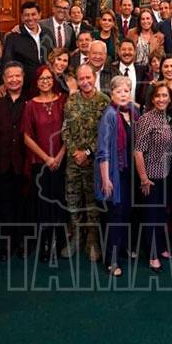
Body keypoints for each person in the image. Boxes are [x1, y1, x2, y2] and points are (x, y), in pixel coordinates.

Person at [61, 65, 111, 261]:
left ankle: (92, 239)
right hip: (73, 162)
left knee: (92, 202)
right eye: (81, 78)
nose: (85, 82)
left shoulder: (104, 101)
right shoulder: (71, 101)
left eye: (88, 77)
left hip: (94, 163)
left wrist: (87, 153)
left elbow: (105, 134)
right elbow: (65, 130)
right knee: (72, 200)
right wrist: (75, 152)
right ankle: (76, 236)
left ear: (94, 77)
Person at [0, 62, 29, 261]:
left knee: (24, 204)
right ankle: (7, 244)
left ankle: (23, 241)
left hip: (24, 162)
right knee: (3, 205)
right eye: (10, 76)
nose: (14, 80)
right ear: (3, 79)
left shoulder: (31, 99)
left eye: (18, 76)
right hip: (1, 162)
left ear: (23, 77)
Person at [22, 65, 68, 262]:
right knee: (43, 204)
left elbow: (69, 131)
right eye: (42, 79)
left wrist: (59, 156)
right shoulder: (30, 105)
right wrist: (47, 158)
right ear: (36, 82)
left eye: (49, 78)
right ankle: (45, 243)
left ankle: (59, 241)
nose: (46, 81)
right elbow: (26, 137)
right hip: (40, 163)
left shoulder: (63, 101)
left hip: (61, 160)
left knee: (59, 202)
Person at [96, 76, 140, 276]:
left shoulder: (133, 112)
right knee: (114, 216)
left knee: (126, 214)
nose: (123, 95)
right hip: (114, 174)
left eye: (126, 91)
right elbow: (103, 151)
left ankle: (122, 248)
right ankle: (111, 261)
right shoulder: (109, 115)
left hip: (130, 173)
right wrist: (106, 179)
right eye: (119, 91)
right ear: (111, 94)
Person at [135, 81, 172, 271]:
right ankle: (152, 256)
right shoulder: (146, 119)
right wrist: (143, 178)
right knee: (151, 216)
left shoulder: (167, 117)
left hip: (165, 174)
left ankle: (160, 247)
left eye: (165, 95)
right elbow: (138, 151)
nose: (161, 99)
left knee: (160, 215)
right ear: (152, 99)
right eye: (157, 96)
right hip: (150, 177)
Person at [3, 1, 56, 89]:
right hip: (24, 85)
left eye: (33, 14)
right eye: (26, 15)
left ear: (39, 15)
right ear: (22, 17)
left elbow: (54, 55)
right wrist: (3, 83)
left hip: (47, 83)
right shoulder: (13, 37)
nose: (30, 18)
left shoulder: (48, 33)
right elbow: (6, 62)